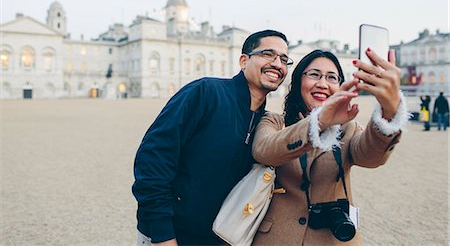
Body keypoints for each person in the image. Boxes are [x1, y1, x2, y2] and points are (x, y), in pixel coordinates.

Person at [132, 29, 293, 246]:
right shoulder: (205, 92)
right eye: (268, 54)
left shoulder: (264, 122)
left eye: (284, 59)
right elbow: (153, 159)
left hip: (220, 239)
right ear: (244, 61)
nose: (277, 63)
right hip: (171, 236)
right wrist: (163, 234)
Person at [251, 48, 410, 245]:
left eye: (332, 78)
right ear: (299, 80)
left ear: (341, 86)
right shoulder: (274, 121)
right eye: (314, 75)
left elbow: (371, 157)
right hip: (278, 238)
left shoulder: (348, 129)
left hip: (333, 239)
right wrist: (319, 122)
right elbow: (263, 150)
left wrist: (390, 110)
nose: (322, 84)